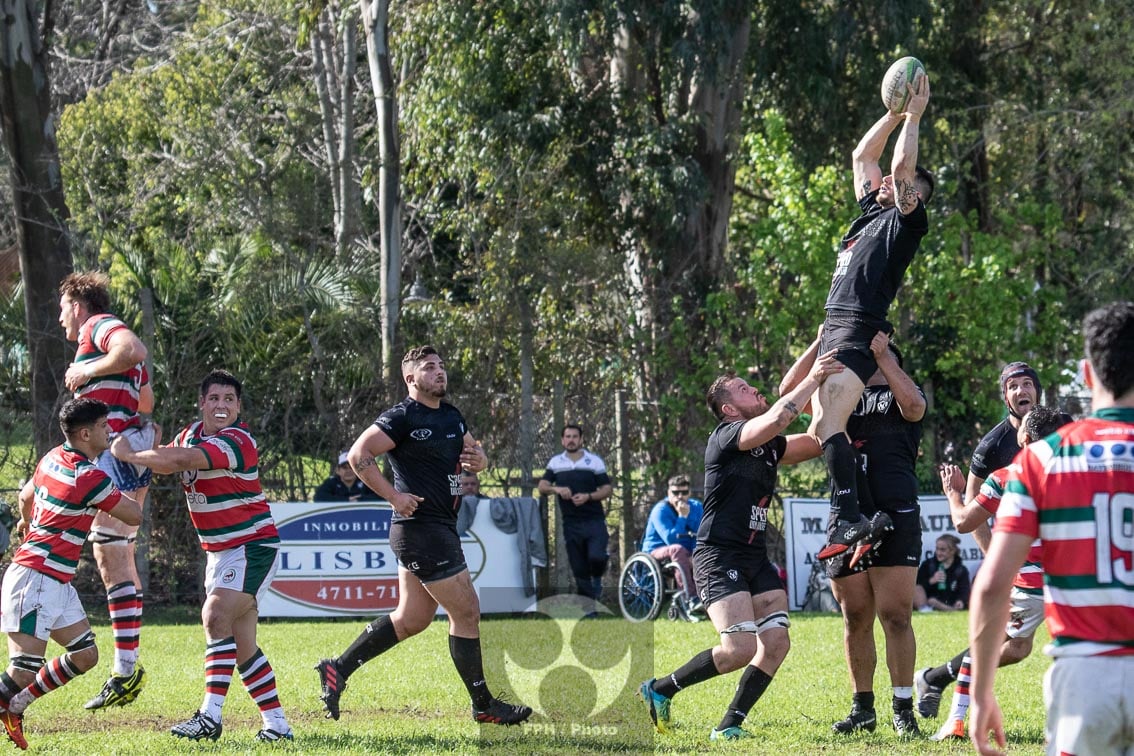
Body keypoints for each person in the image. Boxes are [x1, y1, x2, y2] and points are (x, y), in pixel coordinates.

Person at [313, 346, 531, 727]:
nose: (439, 372)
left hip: (438, 527)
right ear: (410, 379)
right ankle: (483, 704)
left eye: (442, 366)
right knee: (466, 612)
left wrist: (481, 459)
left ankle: (338, 669)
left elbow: (474, 450)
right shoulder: (401, 417)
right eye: (429, 368)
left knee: (412, 618)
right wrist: (394, 496)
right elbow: (359, 455)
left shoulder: (451, 415)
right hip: (420, 530)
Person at [639, 344, 843, 741]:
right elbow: (778, 418)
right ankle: (660, 689)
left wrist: (823, 356)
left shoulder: (768, 442)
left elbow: (817, 440)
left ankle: (730, 723)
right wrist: (813, 378)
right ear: (729, 408)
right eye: (744, 389)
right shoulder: (728, 435)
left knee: (777, 642)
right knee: (739, 649)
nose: (754, 390)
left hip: (754, 555)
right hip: (718, 554)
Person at [970, 302, 1134, 756]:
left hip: (1084, 674)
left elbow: (991, 587)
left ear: (1086, 372)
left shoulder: (1040, 459)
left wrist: (981, 692)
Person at [112, 369, 293, 742]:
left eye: (229, 399)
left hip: (252, 546)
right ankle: (278, 726)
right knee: (242, 646)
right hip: (221, 552)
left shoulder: (239, 441)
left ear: (238, 406)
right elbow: (166, 458)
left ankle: (209, 718)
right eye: (214, 398)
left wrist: (130, 452)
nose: (222, 405)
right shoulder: (191, 433)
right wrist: (150, 443)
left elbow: (177, 462)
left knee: (214, 615)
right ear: (202, 403)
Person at [813, 73, 933, 567]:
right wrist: (892, 111)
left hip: (858, 324)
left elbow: (902, 166)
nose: (884, 180)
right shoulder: (868, 213)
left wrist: (915, 116)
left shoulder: (903, 223)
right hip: (836, 323)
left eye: (898, 185)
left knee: (829, 421)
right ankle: (856, 517)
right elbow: (863, 156)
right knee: (824, 422)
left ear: (913, 197)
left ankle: (850, 517)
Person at [917, 406, 1070, 741]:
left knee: (1005, 647)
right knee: (1015, 648)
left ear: (1024, 438)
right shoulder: (1075, 476)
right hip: (1066, 585)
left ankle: (952, 699)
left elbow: (962, 522)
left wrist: (953, 495)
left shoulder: (1005, 478)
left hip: (1036, 585)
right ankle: (955, 713)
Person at [0, 399, 142, 750]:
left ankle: (15, 707)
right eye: (104, 426)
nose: (109, 431)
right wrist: (138, 463)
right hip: (35, 579)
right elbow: (134, 515)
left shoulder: (51, 458)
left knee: (85, 656)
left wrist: (26, 522)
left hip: (54, 581)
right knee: (21, 671)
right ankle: (10, 701)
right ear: (85, 433)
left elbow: (26, 497)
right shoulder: (89, 476)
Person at [819, 333, 927, 738]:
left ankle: (903, 708)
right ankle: (863, 707)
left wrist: (884, 357)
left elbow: (915, 408)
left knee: (896, 615)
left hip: (896, 512)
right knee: (855, 616)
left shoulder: (906, 393)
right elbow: (818, 428)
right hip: (846, 514)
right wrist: (824, 348)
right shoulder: (842, 395)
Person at [57, 271, 156, 709]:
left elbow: (133, 349)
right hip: (129, 448)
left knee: (112, 555)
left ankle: (125, 670)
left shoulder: (98, 327)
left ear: (77, 305)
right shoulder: (106, 341)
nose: (61, 319)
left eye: (62, 309)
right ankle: (125, 668)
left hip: (116, 454)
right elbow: (147, 400)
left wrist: (86, 369)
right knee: (117, 553)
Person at [962, 362, 1044, 553]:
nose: (1021, 391)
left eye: (1027, 384)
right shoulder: (991, 445)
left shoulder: (1060, 426)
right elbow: (970, 502)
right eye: (1012, 386)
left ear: (1037, 391)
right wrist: (992, 557)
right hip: (1020, 555)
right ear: (1006, 398)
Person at [537, 424, 613, 601]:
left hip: (594, 519)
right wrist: (557, 489)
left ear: (581, 439)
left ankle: (597, 580)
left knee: (597, 557)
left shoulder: (594, 461)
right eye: (568, 437)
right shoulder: (556, 463)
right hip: (571, 522)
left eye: (574, 436)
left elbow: (607, 489)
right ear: (563, 440)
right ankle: (589, 609)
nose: (571, 440)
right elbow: (542, 486)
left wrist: (589, 496)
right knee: (579, 567)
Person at [640, 474, 705, 613]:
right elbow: (671, 539)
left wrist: (695, 554)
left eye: (684, 492)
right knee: (676, 549)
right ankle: (691, 598)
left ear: (690, 493)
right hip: (657, 550)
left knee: (707, 552)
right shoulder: (660, 510)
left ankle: (710, 598)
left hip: (687, 552)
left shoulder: (697, 507)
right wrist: (682, 516)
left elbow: (700, 534)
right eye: (675, 493)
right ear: (668, 493)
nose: (680, 496)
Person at [913, 535, 970, 611]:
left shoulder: (961, 569)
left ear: (952, 551)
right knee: (919, 591)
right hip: (928, 602)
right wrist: (931, 580)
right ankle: (928, 610)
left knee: (933, 601)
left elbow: (964, 589)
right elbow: (918, 585)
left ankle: (949, 609)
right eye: (937, 549)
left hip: (950, 601)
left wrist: (961, 600)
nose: (938, 553)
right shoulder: (928, 565)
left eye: (943, 550)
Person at [313, 452, 381, 502]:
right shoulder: (331, 482)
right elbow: (318, 497)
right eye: (344, 468)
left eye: (351, 467)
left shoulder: (365, 481)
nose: (349, 471)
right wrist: (346, 500)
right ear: (338, 470)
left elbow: (381, 496)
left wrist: (359, 500)